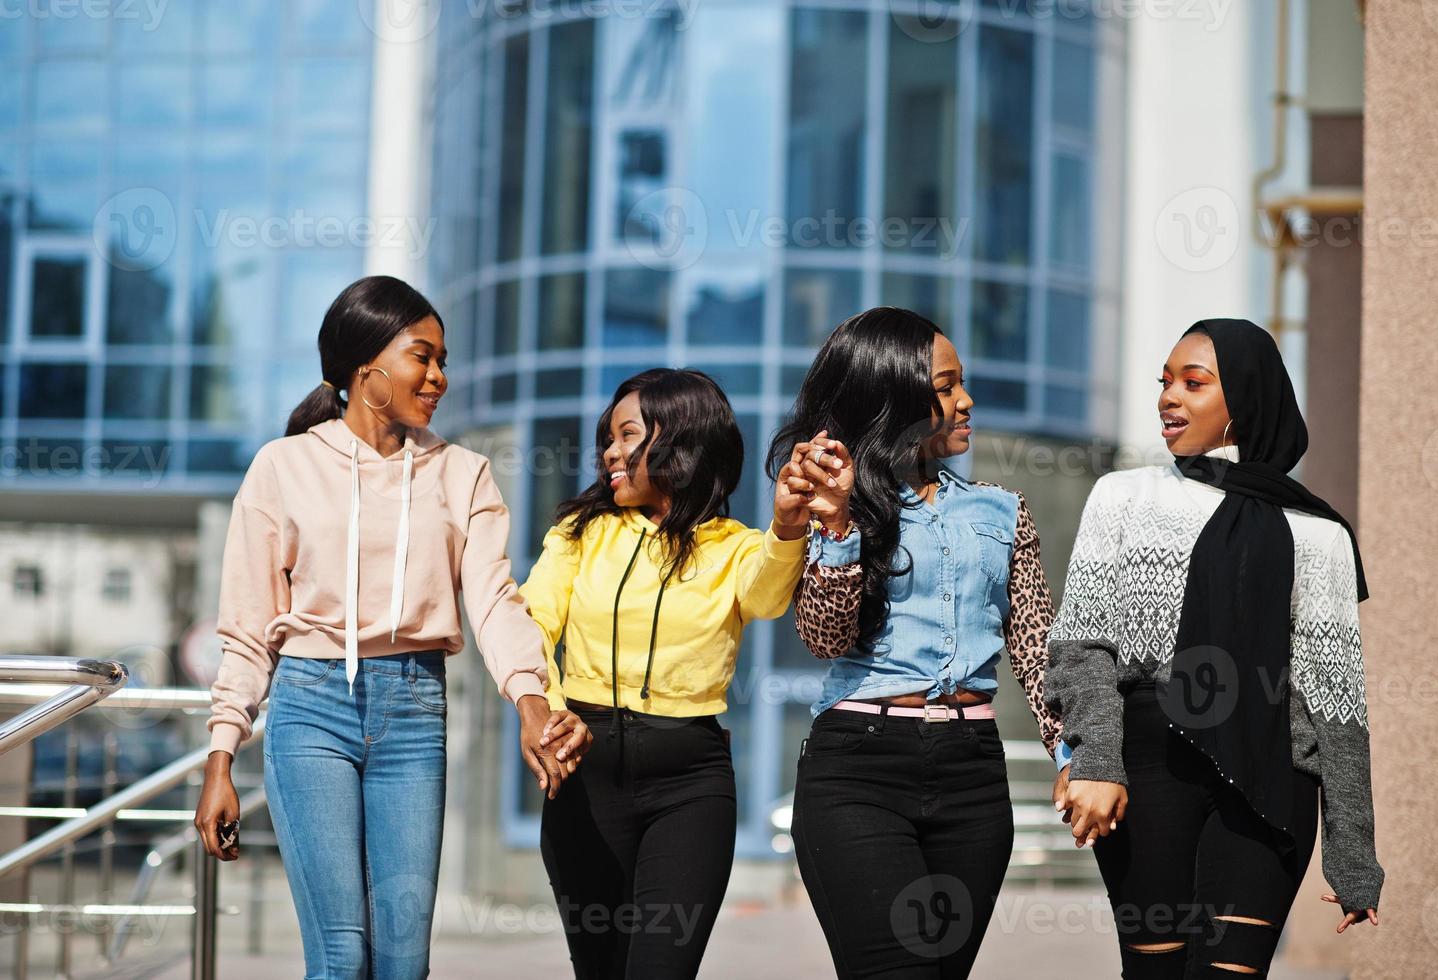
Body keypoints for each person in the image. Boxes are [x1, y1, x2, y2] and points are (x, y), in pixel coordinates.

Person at [194, 275, 589, 979]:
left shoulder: (463, 474)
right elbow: (249, 627)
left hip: (414, 710)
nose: (438, 376)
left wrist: (532, 701)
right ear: (363, 365)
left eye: (442, 360)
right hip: (310, 709)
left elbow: (496, 601)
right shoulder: (282, 467)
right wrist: (221, 756)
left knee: (404, 963)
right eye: (422, 356)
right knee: (343, 957)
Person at [1046, 318, 1382, 977]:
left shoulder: (1316, 533)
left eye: (1192, 383)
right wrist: (1096, 761)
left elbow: (1337, 704)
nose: (1168, 396)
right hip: (1148, 768)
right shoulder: (1123, 496)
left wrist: (1354, 855)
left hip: (1271, 775)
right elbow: (1082, 646)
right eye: (1164, 382)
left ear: (1245, 400)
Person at [775, 308, 1064, 978]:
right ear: (892, 393)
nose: (965, 400)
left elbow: (1036, 646)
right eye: (944, 386)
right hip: (857, 771)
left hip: (973, 778)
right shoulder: (834, 502)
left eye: (961, 383)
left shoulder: (1002, 511)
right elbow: (823, 637)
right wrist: (841, 526)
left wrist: (1074, 755)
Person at [523, 368, 814, 979]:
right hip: (585, 776)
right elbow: (532, 624)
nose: (609, 451)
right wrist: (547, 709)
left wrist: (788, 529)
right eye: (608, 437)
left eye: (627, 435)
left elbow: (765, 598)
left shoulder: (736, 546)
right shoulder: (581, 533)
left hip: (690, 785)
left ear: (680, 440)